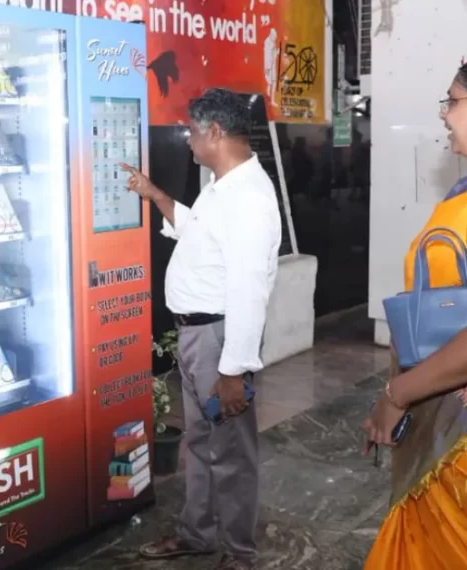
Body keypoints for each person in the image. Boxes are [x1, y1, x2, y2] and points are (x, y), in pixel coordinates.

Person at [122, 87, 282, 570]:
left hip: (219, 340)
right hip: (200, 337)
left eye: (191, 131)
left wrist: (234, 370)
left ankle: (238, 552)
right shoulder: (221, 186)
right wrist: (156, 195)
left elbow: (249, 290)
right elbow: (197, 232)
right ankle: (199, 533)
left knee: (231, 452)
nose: (187, 140)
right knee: (201, 443)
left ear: (214, 132)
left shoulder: (248, 198)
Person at [362, 62, 467, 569]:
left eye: (453, 101)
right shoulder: (459, 194)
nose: (444, 115)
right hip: (435, 400)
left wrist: (396, 395)